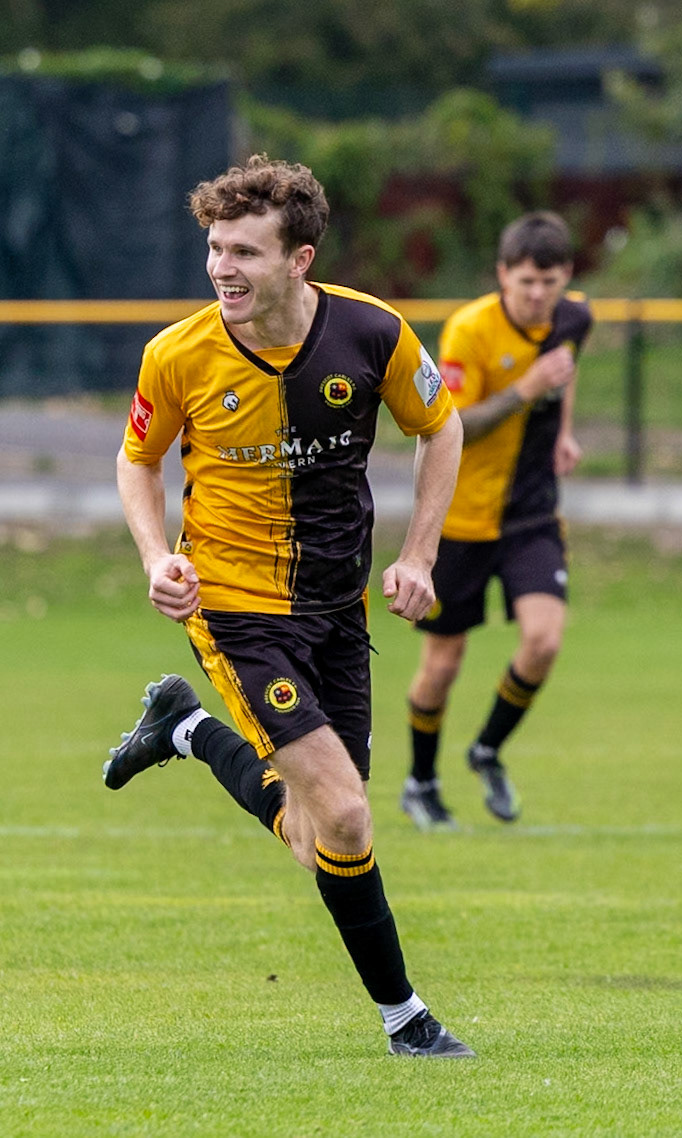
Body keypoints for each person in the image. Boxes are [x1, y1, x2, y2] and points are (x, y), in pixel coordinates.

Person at [103, 154, 473, 1058]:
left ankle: (184, 732)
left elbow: (441, 425)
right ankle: (406, 1019)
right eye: (214, 250)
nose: (221, 269)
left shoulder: (373, 334)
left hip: (338, 610)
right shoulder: (178, 353)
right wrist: (159, 558)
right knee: (345, 817)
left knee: (321, 839)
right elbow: (137, 459)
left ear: (299, 259)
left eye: (244, 253)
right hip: (234, 609)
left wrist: (419, 552)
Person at [400, 211, 593, 830]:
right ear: (504, 275)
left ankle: (486, 749)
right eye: (527, 281)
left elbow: (567, 371)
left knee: (544, 640)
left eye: (551, 281)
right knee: (443, 665)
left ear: (566, 279)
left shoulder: (574, 318)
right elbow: (455, 425)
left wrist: (562, 431)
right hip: (461, 517)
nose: (539, 295)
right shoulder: (468, 331)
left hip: (531, 515)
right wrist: (527, 389)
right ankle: (421, 781)